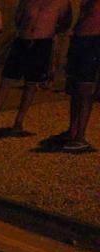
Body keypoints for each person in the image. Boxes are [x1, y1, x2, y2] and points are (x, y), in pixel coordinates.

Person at [0, 0, 72, 134]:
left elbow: (65, 23)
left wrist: (48, 30)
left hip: (42, 43)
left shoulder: (62, 3)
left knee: (31, 84)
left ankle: (18, 122)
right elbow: (19, 18)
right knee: (6, 81)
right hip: (23, 41)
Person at [58, 0, 100, 151]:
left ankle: (80, 137)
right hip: (80, 40)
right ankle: (73, 130)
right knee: (75, 88)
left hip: (93, 41)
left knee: (84, 89)